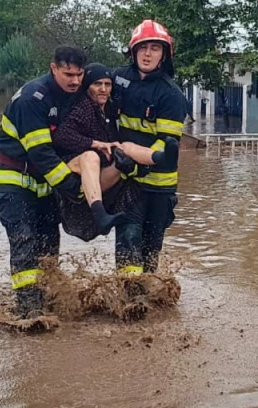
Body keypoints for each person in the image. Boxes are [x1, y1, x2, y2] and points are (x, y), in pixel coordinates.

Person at [0, 45, 87, 319]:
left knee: (48, 242)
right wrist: (72, 188)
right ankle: (29, 310)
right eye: (68, 74)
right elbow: (42, 154)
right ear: (53, 68)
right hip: (15, 178)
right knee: (24, 239)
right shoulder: (32, 99)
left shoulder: (74, 96)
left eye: (79, 75)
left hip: (44, 182)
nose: (75, 81)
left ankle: (49, 298)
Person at [52, 63, 179, 241]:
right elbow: (61, 137)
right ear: (87, 86)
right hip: (77, 175)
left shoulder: (111, 110)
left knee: (125, 147)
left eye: (108, 84)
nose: (103, 89)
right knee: (91, 157)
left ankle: (160, 157)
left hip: (102, 176)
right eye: (97, 84)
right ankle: (100, 214)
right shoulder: (83, 108)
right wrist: (93, 143)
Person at [111, 20, 187, 276]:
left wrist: (138, 161)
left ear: (164, 55)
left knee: (149, 251)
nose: (147, 54)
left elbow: (166, 143)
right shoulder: (118, 79)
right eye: (143, 47)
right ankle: (129, 301)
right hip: (127, 181)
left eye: (155, 48)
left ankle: (149, 297)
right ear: (132, 51)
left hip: (159, 187)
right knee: (127, 242)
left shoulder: (171, 95)